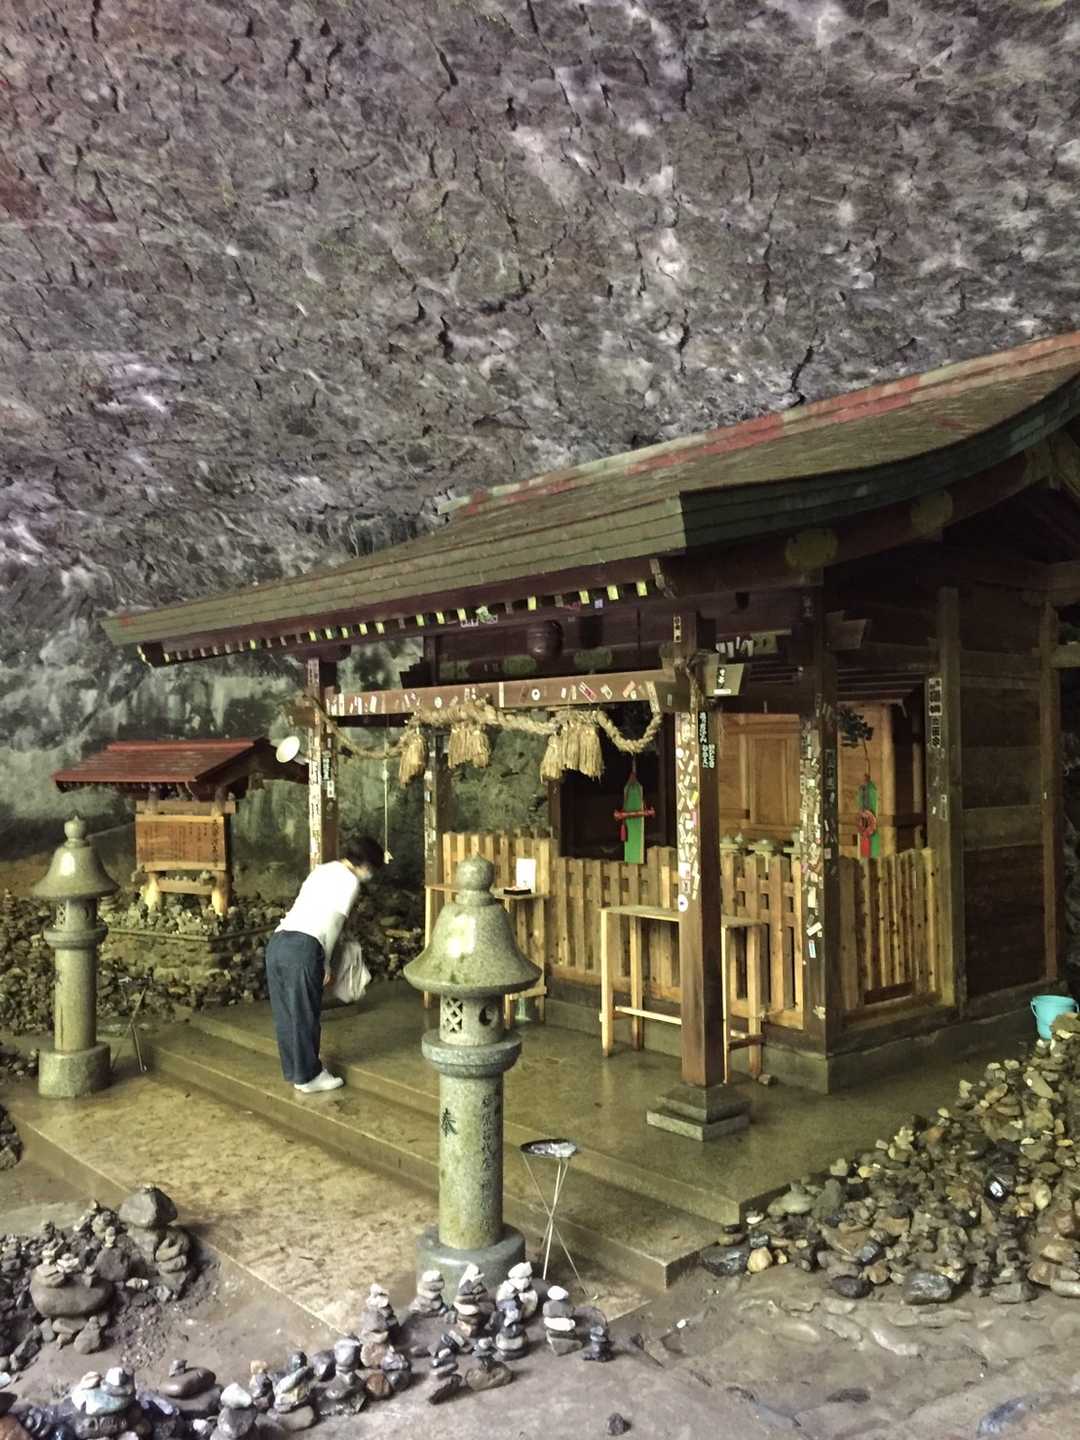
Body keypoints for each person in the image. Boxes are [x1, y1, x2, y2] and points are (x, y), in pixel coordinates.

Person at [265, 837, 384, 1093]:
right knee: (305, 1013)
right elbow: (333, 922)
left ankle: (296, 1072)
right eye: (372, 868)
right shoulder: (349, 881)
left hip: (279, 941)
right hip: (304, 946)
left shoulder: (323, 870)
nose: (371, 874)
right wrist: (326, 961)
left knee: (286, 1014)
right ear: (365, 864)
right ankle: (310, 1077)